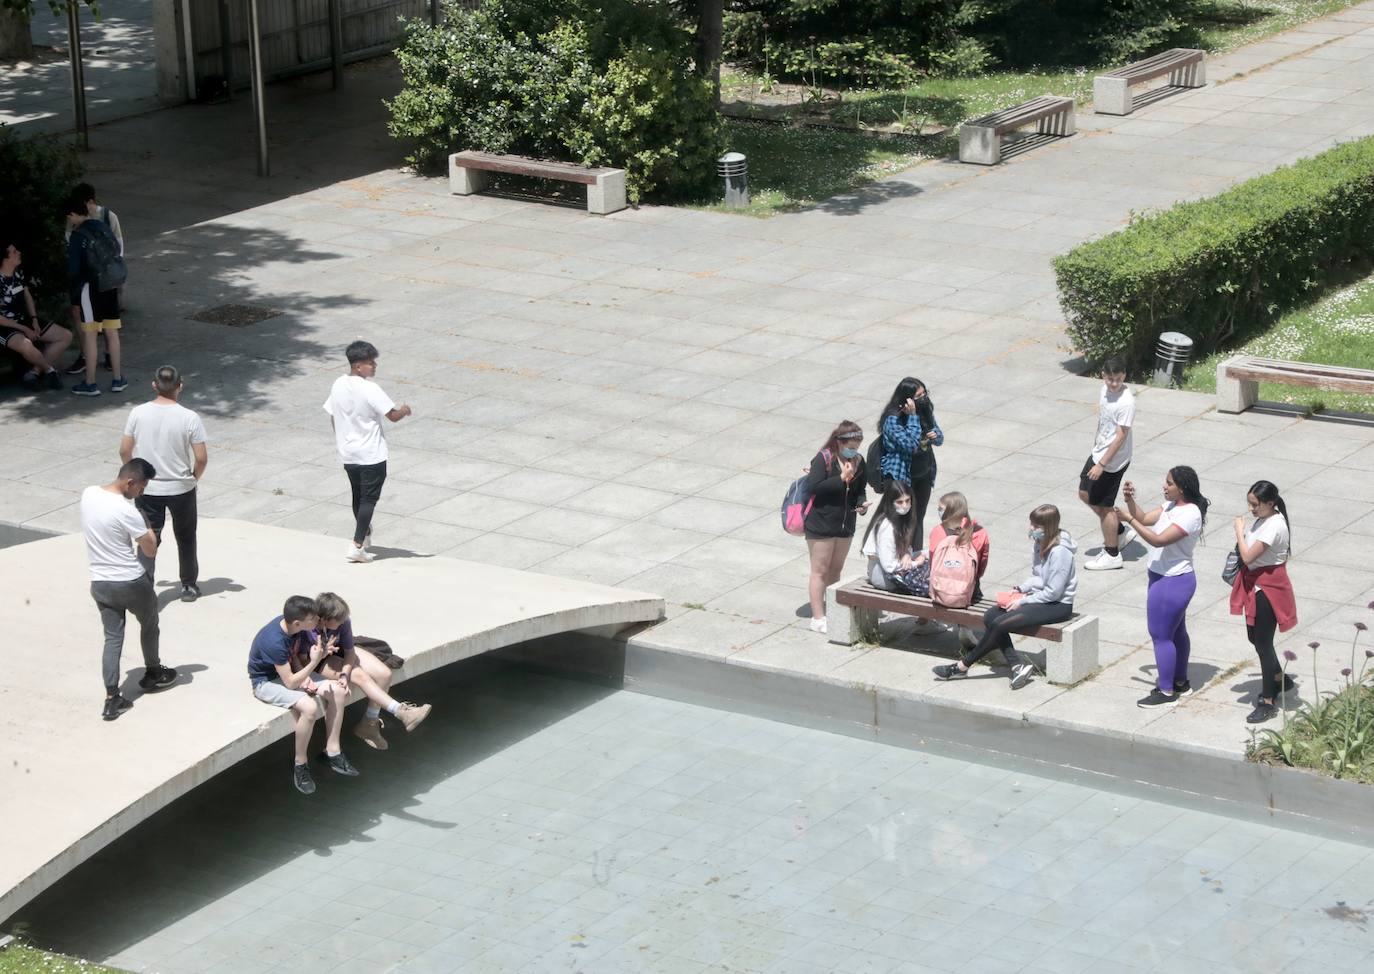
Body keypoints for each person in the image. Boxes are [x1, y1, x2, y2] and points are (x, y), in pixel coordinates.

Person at [934, 504, 1076, 691]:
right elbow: (1039, 576)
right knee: (991, 616)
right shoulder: (1040, 543)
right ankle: (1018, 666)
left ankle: (962, 666)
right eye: (1031, 525)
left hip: (1058, 604)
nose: (1032, 530)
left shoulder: (1060, 552)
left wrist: (1022, 601)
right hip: (1041, 597)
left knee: (1001, 624)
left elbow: (1054, 592)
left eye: (1037, 527)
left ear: (1049, 527)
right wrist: (1019, 589)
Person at [81, 459, 179, 721]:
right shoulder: (127, 512)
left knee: (113, 638)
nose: (142, 493)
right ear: (130, 482)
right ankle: (154, 673)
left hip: (100, 583)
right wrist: (146, 521)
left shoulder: (89, 494)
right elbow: (150, 548)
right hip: (131, 582)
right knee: (149, 624)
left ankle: (112, 699)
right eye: (142, 487)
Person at [1116, 466, 1209, 708]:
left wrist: (1129, 520)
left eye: (1169, 483)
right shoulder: (1171, 506)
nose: (1164, 486)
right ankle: (1180, 682)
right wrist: (1130, 501)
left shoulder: (1190, 514)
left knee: (1160, 635)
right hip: (1162, 578)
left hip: (1172, 581)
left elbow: (1157, 539)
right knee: (1177, 632)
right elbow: (1146, 518)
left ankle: (1166, 691)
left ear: (1182, 487)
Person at [248, 595, 357, 795]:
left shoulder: (296, 628)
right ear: (299, 622)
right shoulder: (273, 640)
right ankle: (300, 765)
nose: (318, 621)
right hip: (267, 682)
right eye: (313, 618)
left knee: (339, 692)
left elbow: (295, 658)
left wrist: (320, 656)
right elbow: (290, 682)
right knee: (309, 707)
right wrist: (315, 663)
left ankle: (332, 752)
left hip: (290, 673)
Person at [119, 366, 209, 602]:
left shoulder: (138, 413)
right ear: (181, 386)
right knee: (186, 537)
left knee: (149, 536)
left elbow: (124, 450)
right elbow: (201, 458)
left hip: (148, 487)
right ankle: (189, 586)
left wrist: (136, 477)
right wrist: (193, 478)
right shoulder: (190, 417)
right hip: (181, 488)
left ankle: (144, 586)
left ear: (154, 385)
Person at [323, 341, 412, 563]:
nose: (374, 366)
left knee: (358, 495)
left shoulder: (338, 384)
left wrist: (340, 437)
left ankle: (364, 533)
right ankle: (357, 544)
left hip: (349, 452)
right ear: (359, 366)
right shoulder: (370, 388)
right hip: (371, 454)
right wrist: (404, 410)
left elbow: (332, 413)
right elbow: (392, 416)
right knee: (369, 500)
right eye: (371, 362)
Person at [312, 592, 432, 750]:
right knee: (360, 675)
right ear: (324, 619)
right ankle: (402, 712)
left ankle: (369, 724)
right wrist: (324, 653)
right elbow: (304, 659)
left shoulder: (342, 621)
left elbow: (349, 651)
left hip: (337, 650)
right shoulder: (310, 628)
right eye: (338, 621)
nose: (342, 623)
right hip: (315, 659)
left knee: (384, 674)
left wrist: (344, 673)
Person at [1230, 481, 1298, 724]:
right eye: (1249, 504)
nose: (1251, 509)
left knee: (1262, 643)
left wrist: (1239, 530)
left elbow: (1248, 557)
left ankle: (1268, 701)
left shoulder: (1274, 525)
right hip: (1256, 585)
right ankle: (1280, 677)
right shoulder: (1265, 518)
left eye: (1255, 505)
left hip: (1270, 588)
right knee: (1255, 637)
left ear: (1270, 503)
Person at [805, 421, 869, 635]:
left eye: (857, 446)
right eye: (851, 445)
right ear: (839, 442)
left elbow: (861, 490)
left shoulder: (859, 461)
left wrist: (861, 505)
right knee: (820, 571)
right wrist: (840, 479)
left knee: (835, 570)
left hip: (845, 524)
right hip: (821, 523)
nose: (854, 450)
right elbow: (813, 487)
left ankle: (832, 610)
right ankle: (817, 616)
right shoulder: (824, 459)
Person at [65, 196, 126, 396]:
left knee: (90, 335)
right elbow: (116, 249)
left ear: (73, 215)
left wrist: (74, 296)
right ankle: (118, 379)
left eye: (69, 217)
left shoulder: (77, 236)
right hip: (109, 285)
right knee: (112, 332)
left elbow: (73, 269)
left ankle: (90, 383)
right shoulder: (102, 227)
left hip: (89, 289)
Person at [1081, 358, 1137, 571]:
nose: (1113, 383)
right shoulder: (1104, 390)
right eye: (1109, 379)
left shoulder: (1127, 402)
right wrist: (1096, 447)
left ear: (1124, 376)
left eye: (1117, 379)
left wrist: (1102, 464)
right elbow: (1103, 420)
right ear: (1103, 376)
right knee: (1084, 493)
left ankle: (1112, 553)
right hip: (1099, 453)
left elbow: (1121, 436)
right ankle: (1120, 531)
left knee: (1105, 507)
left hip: (1112, 461)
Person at [877, 377, 943, 544]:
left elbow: (939, 438)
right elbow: (911, 444)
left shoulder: (925, 409)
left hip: (924, 473)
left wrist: (935, 435)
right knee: (901, 519)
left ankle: (916, 556)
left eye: (924, 393)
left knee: (918, 517)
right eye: (918, 395)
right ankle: (898, 555)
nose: (923, 398)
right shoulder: (893, 420)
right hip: (902, 476)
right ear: (906, 399)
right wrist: (913, 417)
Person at [0, 239, 70, 389]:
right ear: (4, 259)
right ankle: (50, 371)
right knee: (26, 345)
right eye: (14, 252)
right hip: (5, 326)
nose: (19, 253)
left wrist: (34, 320)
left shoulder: (17, 273)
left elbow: (27, 296)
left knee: (65, 336)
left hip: (23, 320)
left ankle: (34, 373)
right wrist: (24, 329)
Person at [928, 491, 991, 646]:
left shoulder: (938, 531)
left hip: (940, 591)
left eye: (940, 508)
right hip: (969, 592)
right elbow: (981, 565)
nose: (939, 511)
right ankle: (965, 627)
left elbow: (932, 564)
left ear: (951, 510)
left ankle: (923, 621)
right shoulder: (980, 533)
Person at [861, 481, 918, 592]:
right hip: (882, 575)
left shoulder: (904, 519)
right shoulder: (887, 526)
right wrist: (915, 563)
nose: (905, 506)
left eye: (907, 500)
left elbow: (904, 547)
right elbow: (889, 566)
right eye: (899, 502)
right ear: (890, 502)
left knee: (926, 555)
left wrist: (907, 554)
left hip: (895, 566)